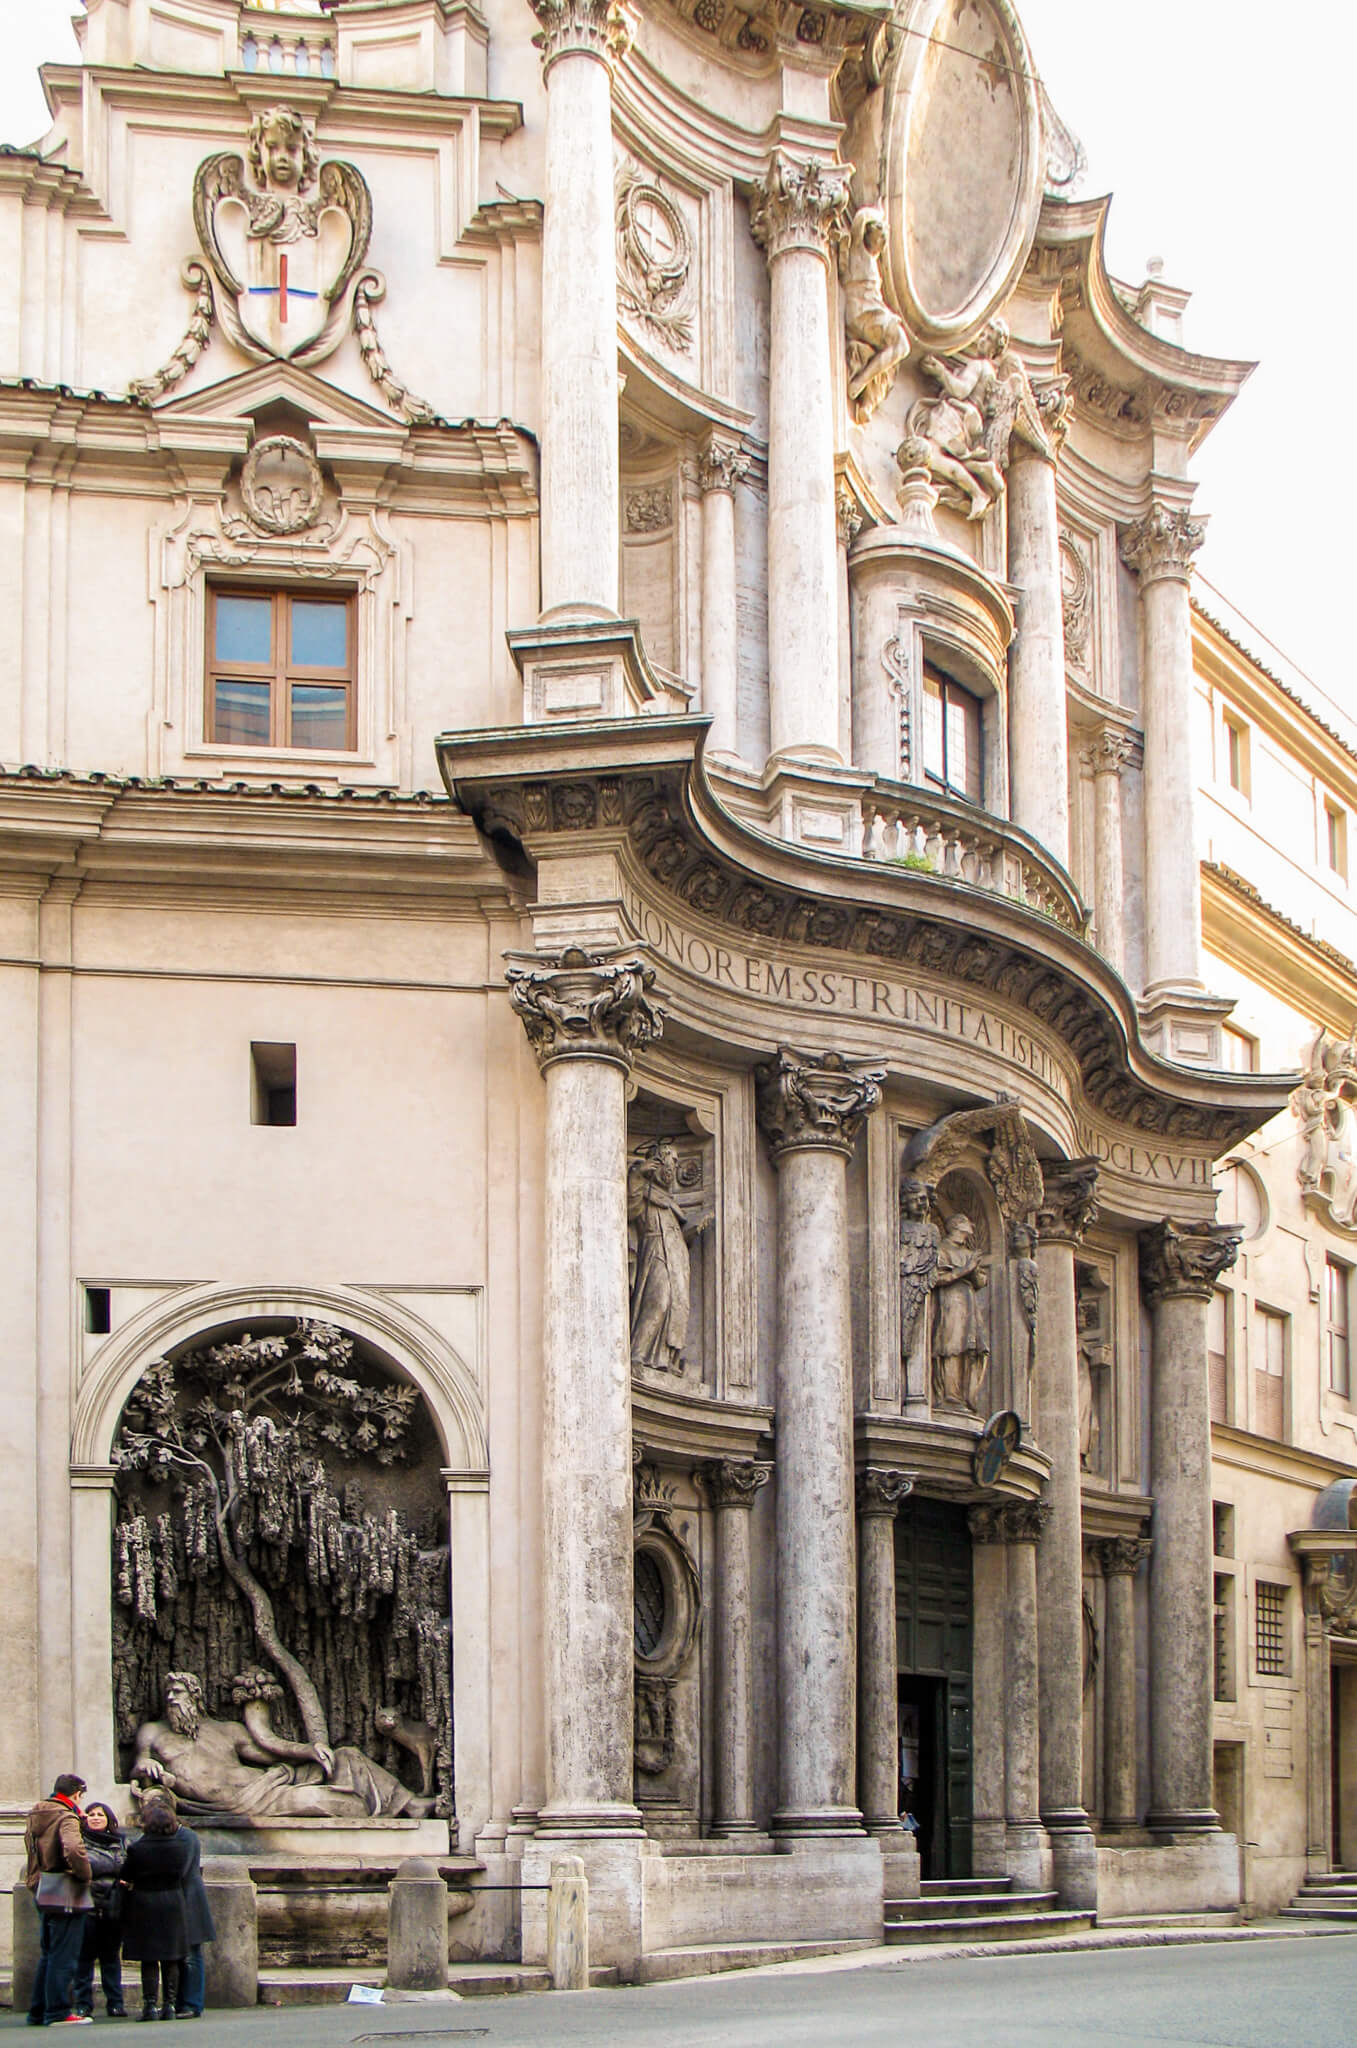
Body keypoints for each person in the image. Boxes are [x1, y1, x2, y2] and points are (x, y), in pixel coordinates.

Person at [24, 1771, 94, 2028]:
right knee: (64, 1955)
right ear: (76, 1794)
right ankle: (58, 2011)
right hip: (66, 1889)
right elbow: (73, 1848)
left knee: (49, 1953)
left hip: (43, 1887)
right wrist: (85, 1875)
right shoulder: (66, 1816)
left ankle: (38, 2010)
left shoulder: (37, 1812)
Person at [141, 1793, 214, 2019]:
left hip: (188, 1899)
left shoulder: (186, 1837)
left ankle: (192, 2003)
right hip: (175, 1899)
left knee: (191, 1955)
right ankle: (181, 2002)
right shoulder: (165, 1837)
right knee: (179, 1954)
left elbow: (181, 1870)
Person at [119, 1804, 191, 2022]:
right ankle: (169, 2005)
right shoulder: (181, 1847)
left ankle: (149, 2005)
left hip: (144, 1902)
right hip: (173, 1901)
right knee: (171, 1957)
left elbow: (125, 1875)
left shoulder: (137, 1848)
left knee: (148, 1958)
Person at [74, 1802, 126, 2019]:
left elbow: (125, 1866)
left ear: (108, 1819)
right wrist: (111, 1869)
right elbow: (87, 1866)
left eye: (100, 1815)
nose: (95, 1818)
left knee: (111, 1957)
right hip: (87, 1904)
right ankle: (83, 2003)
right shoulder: (80, 1841)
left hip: (113, 1905)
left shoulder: (120, 1841)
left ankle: (115, 2003)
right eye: (92, 1814)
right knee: (84, 1958)